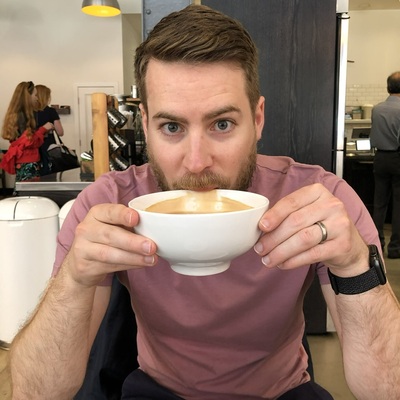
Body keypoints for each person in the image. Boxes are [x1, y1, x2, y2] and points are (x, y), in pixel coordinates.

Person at [9, 5, 400, 400]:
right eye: (172, 127)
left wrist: (355, 265)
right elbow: (36, 393)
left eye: (222, 124)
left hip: (282, 392)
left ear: (257, 119)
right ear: (145, 125)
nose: (197, 163)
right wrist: (74, 279)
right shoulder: (109, 205)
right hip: (157, 391)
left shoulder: (318, 200)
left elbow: (385, 389)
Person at [370, 71, 400, 259]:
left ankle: (377, 243)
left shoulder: (377, 109)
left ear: (388, 87)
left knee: (379, 203)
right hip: (398, 158)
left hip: (380, 158)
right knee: (398, 204)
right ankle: (395, 248)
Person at [0, 81, 53, 181]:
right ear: (27, 96)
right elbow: (28, 141)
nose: (37, 98)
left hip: (24, 162)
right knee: (29, 189)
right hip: (28, 162)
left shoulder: (16, 115)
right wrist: (43, 129)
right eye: (35, 95)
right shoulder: (22, 116)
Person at [35, 84, 65, 175]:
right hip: (49, 146)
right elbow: (60, 132)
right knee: (50, 172)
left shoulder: (29, 112)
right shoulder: (51, 111)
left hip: (34, 145)